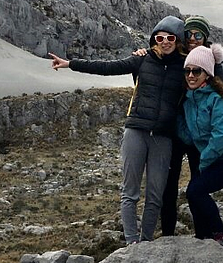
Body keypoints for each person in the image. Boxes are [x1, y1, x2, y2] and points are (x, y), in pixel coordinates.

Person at [49, 16, 187, 244]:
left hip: (163, 136)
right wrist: (70, 63)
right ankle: (132, 243)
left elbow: (208, 79)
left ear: (178, 40)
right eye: (160, 37)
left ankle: (145, 242)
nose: (165, 41)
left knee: (155, 195)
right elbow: (107, 67)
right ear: (154, 39)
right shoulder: (142, 60)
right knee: (129, 192)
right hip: (136, 130)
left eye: (170, 37)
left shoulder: (184, 67)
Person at [160, 15, 223, 236]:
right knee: (173, 188)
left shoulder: (212, 76)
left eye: (198, 34)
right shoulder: (172, 53)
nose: (192, 38)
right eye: (189, 34)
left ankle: (211, 235)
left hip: (216, 152)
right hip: (190, 137)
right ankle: (172, 236)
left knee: (196, 189)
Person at [176, 46, 223, 247]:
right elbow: (190, 135)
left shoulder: (218, 100)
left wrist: (203, 163)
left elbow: (220, 137)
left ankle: (220, 236)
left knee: (196, 190)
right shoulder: (188, 101)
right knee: (194, 192)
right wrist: (175, 120)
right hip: (214, 158)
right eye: (187, 71)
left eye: (196, 71)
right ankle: (203, 238)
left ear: (207, 75)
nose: (191, 75)